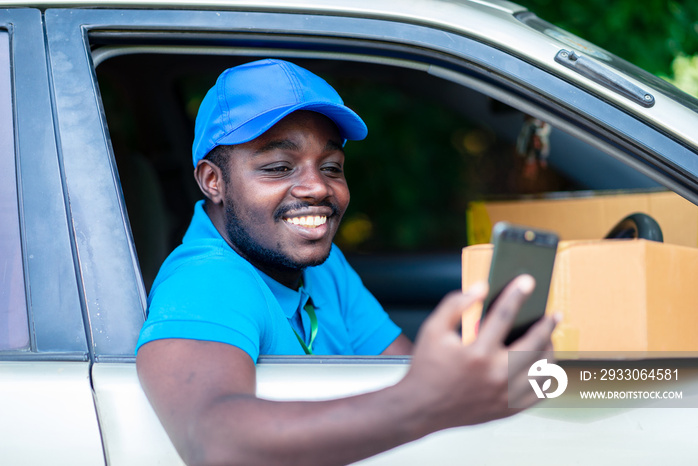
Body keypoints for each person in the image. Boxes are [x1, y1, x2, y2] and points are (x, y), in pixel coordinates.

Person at [136, 58, 558, 466]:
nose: (317, 187)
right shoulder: (205, 281)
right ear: (214, 181)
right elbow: (214, 443)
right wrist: (423, 401)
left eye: (332, 167)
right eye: (279, 167)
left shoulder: (321, 265)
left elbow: (396, 369)